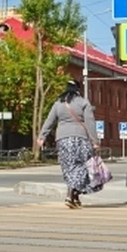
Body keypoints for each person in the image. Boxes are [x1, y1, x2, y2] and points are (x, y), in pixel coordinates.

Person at [37, 79, 100, 209]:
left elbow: (50, 120)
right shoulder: (83, 102)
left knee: (69, 167)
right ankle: (70, 194)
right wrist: (95, 141)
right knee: (81, 167)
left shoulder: (58, 103)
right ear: (78, 89)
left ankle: (75, 197)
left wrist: (42, 136)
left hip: (62, 139)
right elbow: (90, 122)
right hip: (80, 138)